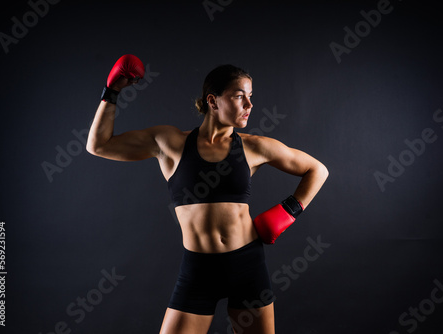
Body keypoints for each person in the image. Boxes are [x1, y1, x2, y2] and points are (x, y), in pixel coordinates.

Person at [86, 55, 329, 334]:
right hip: (199, 270)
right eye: (240, 97)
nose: (249, 105)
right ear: (213, 101)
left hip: (247, 266)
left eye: (250, 97)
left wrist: (288, 212)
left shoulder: (254, 147)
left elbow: (317, 170)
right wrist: (112, 91)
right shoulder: (171, 142)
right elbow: (99, 146)